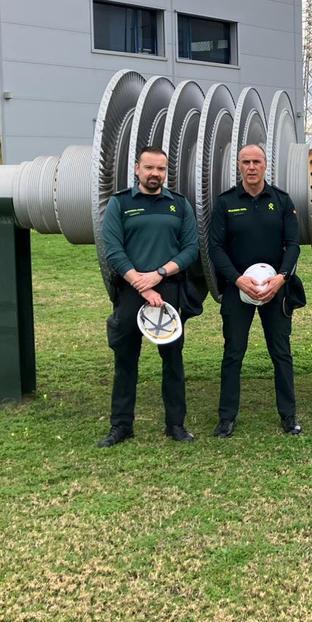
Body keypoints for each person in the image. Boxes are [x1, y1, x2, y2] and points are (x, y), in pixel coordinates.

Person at [97, 145, 200, 447]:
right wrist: (141, 283)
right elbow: (113, 249)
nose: (155, 174)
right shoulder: (121, 204)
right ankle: (121, 426)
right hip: (130, 291)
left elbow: (190, 248)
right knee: (125, 359)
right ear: (137, 169)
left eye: (161, 169)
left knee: (172, 360)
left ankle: (176, 425)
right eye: (150, 168)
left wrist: (158, 275)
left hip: (168, 289)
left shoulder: (179, 205)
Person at [208, 144, 302, 437]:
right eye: (246, 162)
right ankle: (226, 418)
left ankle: (288, 416)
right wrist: (237, 280)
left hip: (275, 290)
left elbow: (294, 244)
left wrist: (281, 278)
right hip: (239, 290)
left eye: (256, 162)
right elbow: (215, 247)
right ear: (239, 166)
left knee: (281, 353)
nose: (251, 167)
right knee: (233, 353)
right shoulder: (225, 203)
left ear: (265, 165)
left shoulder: (281, 201)